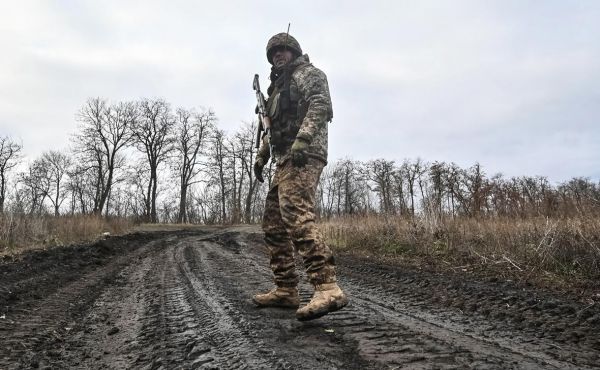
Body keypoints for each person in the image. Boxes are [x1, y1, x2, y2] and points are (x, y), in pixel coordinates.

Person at [252, 32, 348, 321]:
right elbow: (272, 129)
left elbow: (321, 104)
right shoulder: (276, 90)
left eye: (283, 50)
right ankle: (286, 289)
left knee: (296, 214)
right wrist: (261, 156)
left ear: (294, 52)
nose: (278, 55)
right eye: (274, 53)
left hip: (304, 155)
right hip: (283, 160)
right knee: (273, 224)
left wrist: (303, 140)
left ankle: (327, 286)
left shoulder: (308, 74)